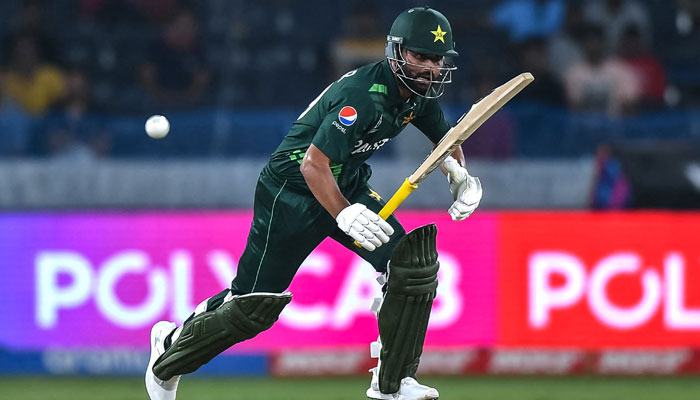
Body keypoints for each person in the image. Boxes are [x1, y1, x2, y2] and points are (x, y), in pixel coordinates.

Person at [145, 7, 482, 400]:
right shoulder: (362, 96)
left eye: (436, 59)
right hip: (291, 193)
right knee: (252, 307)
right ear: (396, 52)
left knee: (411, 264)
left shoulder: (419, 95)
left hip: (347, 184)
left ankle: (392, 384)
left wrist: (460, 176)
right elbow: (312, 164)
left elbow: (447, 143)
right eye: (420, 57)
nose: (429, 67)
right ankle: (168, 352)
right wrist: (344, 213)